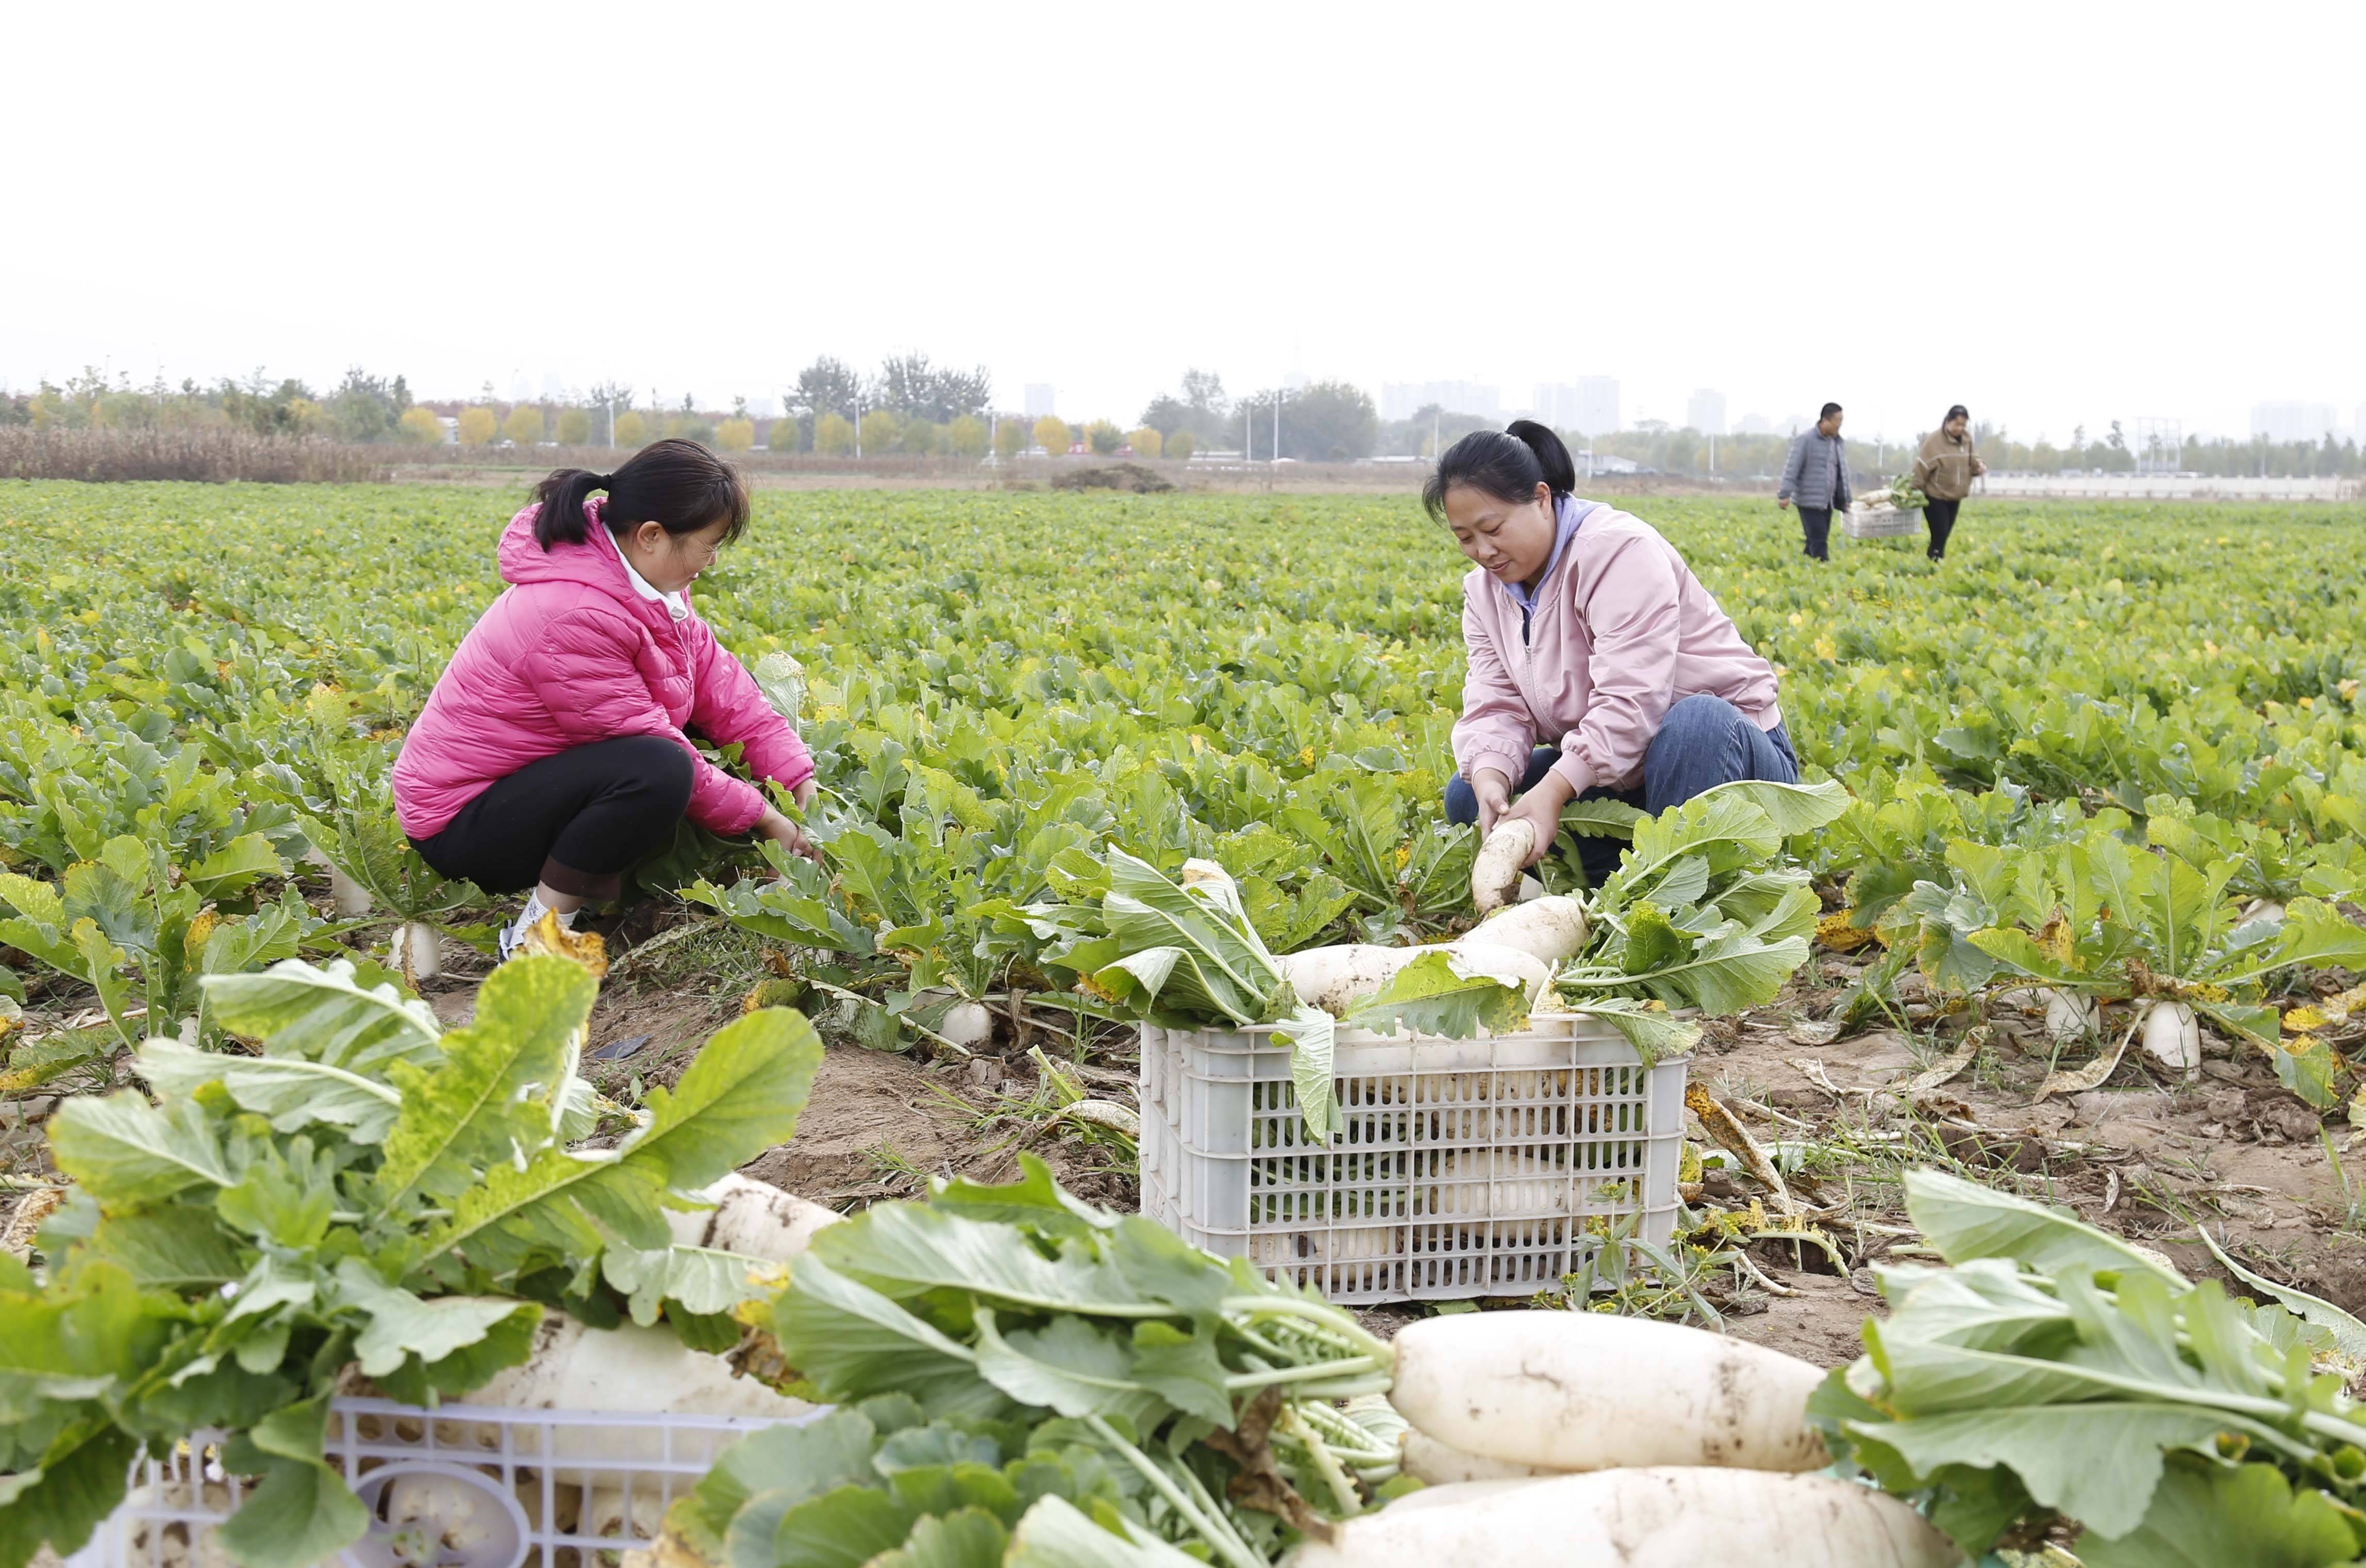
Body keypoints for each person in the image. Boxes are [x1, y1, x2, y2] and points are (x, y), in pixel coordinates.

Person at [392, 439, 816, 959]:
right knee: (658, 768)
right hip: (461, 822)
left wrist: (799, 781)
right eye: (708, 544)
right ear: (652, 537)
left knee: (682, 743)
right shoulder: (572, 611)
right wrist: (767, 820)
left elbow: (724, 691)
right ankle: (535, 942)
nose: (710, 561)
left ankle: (583, 893)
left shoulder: (644, 589)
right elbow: (646, 741)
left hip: (524, 789)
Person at [1433, 422, 1800, 885]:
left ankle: (1679, 884)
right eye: (1465, 538)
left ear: (1542, 498)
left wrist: (1555, 790)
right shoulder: (1485, 594)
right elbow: (1496, 704)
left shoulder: (1617, 550)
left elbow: (1633, 700)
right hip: (1624, 780)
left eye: (1493, 529)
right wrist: (1491, 778)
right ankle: (1642, 877)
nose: (1483, 551)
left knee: (1696, 722)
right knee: (1469, 796)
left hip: (1726, 759)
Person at [1776, 403, 1851, 562]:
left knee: (1814, 540)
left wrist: (1847, 498)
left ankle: (1805, 569)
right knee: (1819, 542)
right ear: (1825, 420)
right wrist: (1785, 494)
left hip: (1827, 501)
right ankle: (1823, 569)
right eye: (1838, 420)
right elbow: (1792, 468)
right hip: (1809, 501)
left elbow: (1842, 472)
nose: (1840, 424)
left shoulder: (1838, 443)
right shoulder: (1806, 440)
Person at [1910, 404, 1986, 561]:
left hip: (1955, 497)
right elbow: (1922, 467)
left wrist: (1978, 466)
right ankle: (1935, 563)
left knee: (1943, 535)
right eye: (1957, 424)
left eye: (1964, 425)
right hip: (1935, 496)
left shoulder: (1967, 440)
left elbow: (1972, 460)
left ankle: (1932, 563)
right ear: (1948, 421)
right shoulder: (1934, 441)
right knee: (1941, 532)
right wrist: (1914, 491)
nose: (1961, 428)